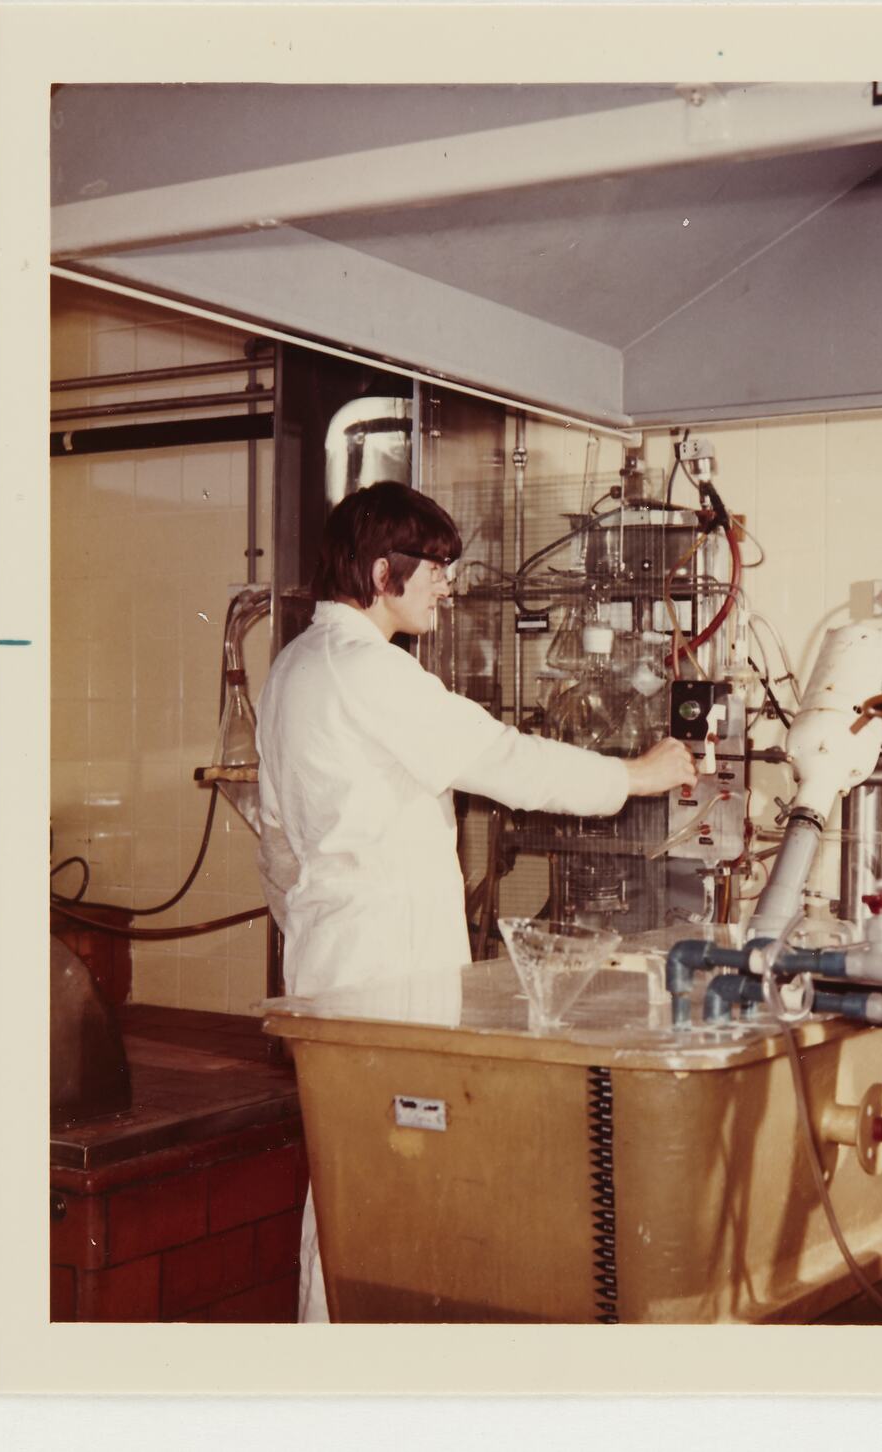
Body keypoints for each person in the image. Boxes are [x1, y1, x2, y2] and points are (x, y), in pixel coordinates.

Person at [255, 480, 696, 1321]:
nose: (446, 586)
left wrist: (317, 920)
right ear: (384, 571)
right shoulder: (366, 669)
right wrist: (637, 775)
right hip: (388, 960)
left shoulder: (294, 666)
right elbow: (500, 758)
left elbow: (275, 841)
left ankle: (332, 1361)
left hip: (334, 948)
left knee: (347, 1180)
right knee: (389, 1173)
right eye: (436, 569)